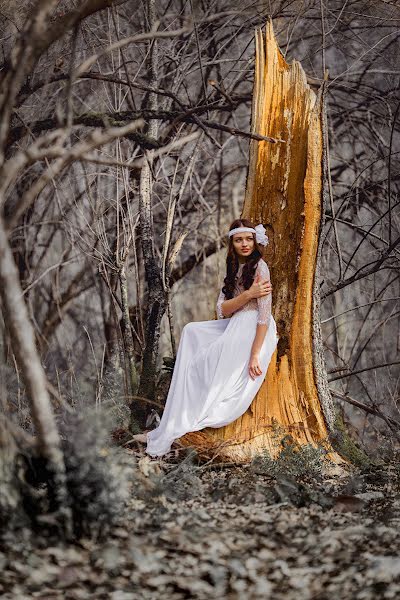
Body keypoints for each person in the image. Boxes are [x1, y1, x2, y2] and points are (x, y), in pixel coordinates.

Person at [134, 218, 278, 457]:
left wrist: (255, 355)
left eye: (249, 239)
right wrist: (248, 294)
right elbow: (222, 309)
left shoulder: (260, 267)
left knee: (210, 365)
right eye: (239, 240)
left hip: (253, 328)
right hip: (234, 323)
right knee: (191, 331)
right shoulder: (234, 268)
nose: (244, 244)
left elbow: (264, 316)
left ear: (255, 241)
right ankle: (169, 424)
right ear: (232, 243)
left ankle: (183, 421)